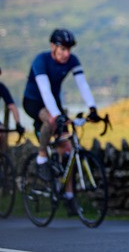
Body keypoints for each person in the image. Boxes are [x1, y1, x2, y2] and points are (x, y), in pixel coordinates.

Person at [22, 28, 101, 215]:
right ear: (53, 47)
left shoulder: (72, 61)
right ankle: (42, 157)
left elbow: (83, 84)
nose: (66, 54)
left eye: (69, 50)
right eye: (62, 49)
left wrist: (92, 108)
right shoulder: (40, 61)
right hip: (34, 101)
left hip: (54, 100)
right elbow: (45, 90)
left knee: (68, 149)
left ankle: (69, 196)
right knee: (50, 121)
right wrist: (57, 116)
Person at [0, 66, 25, 145]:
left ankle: (3, 155)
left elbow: (12, 106)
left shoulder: (1, 88)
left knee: (2, 134)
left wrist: (18, 124)